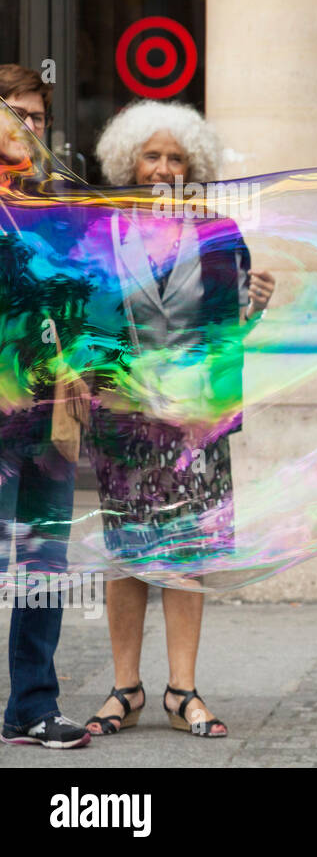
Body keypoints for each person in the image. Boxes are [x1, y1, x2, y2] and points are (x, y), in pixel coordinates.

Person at [80, 100, 275, 738]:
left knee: (189, 552)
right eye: (153, 155)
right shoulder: (99, 231)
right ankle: (125, 688)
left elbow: (227, 329)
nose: (164, 168)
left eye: (176, 158)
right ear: (128, 161)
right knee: (127, 555)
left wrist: (255, 310)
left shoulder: (218, 232)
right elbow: (80, 321)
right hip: (123, 421)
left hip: (195, 423)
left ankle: (182, 690)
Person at [0, 68, 91, 749]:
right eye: (15, 114)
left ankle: (33, 703)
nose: (28, 127)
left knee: (43, 560)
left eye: (36, 116)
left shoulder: (55, 203)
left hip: (46, 409)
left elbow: (82, 297)